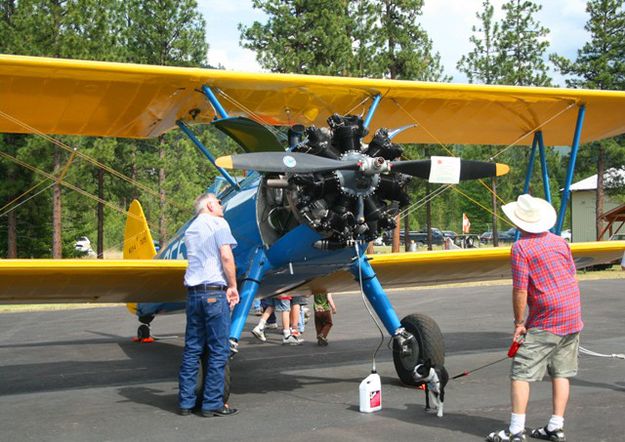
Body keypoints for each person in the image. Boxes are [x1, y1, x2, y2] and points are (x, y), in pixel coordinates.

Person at [487, 194, 583, 442]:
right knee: (561, 372)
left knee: (521, 372)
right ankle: (555, 426)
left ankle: (516, 430)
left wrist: (520, 323)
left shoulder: (521, 248)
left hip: (548, 318)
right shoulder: (560, 242)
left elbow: (520, 289)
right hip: (572, 314)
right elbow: (570, 275)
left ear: (520, 222)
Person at [178, 193, 240, 417]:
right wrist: (233, 285)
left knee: (192, 349)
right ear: (211, 205)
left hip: (193, 294)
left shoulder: (191, 228)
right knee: (218, 350)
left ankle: (186, 403)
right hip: (214, 293)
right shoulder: (218, 222)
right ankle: (211, 404)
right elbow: (226, 256)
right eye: (220, 202)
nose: (222, 205)